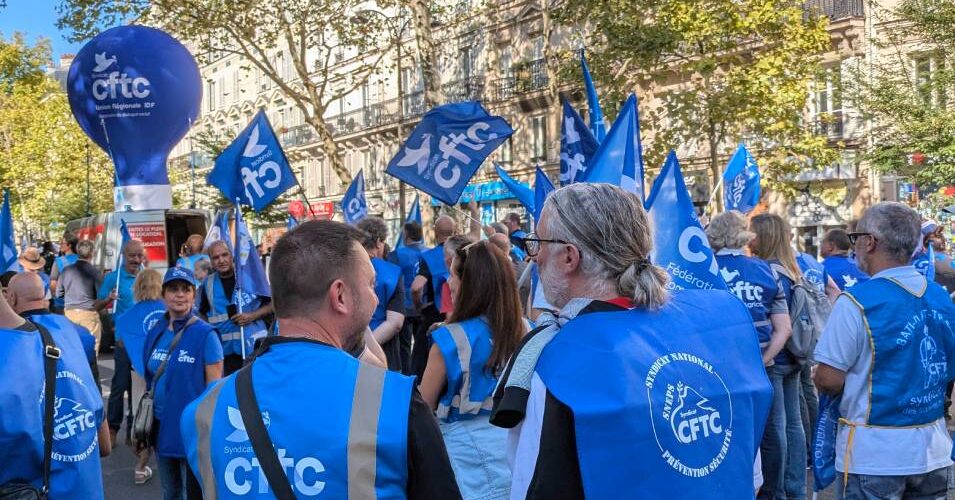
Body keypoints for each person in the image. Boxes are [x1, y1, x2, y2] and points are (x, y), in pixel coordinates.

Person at [491, 184, 772, 498]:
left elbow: (530, 486)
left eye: (539, 243)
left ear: (569, 256)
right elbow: (750, 477)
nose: (536, 256)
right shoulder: (714, 332)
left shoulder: (557, 361)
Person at [180, 219, 462, 499]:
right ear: (339, 296)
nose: (376, 300)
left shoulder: (204, 412)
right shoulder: (396, 402)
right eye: (371, 286)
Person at [815, 202, 955, 498]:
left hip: (874, 455)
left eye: (856, 238)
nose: (854, 247)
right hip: (933, 450)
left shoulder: (856, 302)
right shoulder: (940, 298)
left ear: (870, 242)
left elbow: (828, 379)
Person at [420, 240, 523, 499]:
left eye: (452, 275)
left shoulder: (449, 340)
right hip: (519, 447)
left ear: (470, 283)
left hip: (466, 460)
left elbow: (421, 410)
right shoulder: (527, 329)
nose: (449, 283)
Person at [0, 270, 111, 498]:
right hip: (87, 487)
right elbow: (92, 398)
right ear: (44, 296)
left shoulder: (12, 349)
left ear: (11, 297)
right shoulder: (73, 333)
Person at [142, 266, 223, 500]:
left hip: (190, 430)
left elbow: (214, 393)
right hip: (160, 425)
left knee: (193, 493)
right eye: (173, 289)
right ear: (163, 295)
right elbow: (148, 379)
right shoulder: (156, 331)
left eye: (186, 289)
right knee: (170, 491)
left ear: (194, 295)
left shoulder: (206, 335)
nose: (179, 295)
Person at [749, 213, 808, 500]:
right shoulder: (792, 269)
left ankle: (780, 488)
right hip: (796, 354)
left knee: (777, 428)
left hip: (775, 357)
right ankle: (796, 487)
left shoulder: (765, 271)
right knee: (794, 425)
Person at [115, 268, 167, 485]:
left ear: (137, 287)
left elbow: (121, 343)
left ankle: (140, 467)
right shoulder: (170, 310)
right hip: (169, 373)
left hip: (141, 373)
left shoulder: (126, 317)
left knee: (144, 419)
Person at [99, 239, 147, 447]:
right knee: (119, 386)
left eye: (139, 255)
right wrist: (108, 299)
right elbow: (97, 305)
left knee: (140, 388)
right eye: (132, 256)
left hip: (144, 343)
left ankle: (134, 429)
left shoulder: (147, 277)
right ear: (124, 256)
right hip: (123, 343)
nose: (136, 259)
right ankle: (113, 428)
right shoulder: (114, 278)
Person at [199, 240, 272, 375]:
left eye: (224, 255)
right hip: (224, 354)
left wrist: (252, 316)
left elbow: (273, 305)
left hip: (254, 349)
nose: (221, 260)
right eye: (216, 257)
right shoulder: (207, 284)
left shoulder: (249, 277)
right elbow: (202, 314)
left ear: (231, 255)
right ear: (211, 261)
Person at [7, 271, 96, 376]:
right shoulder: (79, 331)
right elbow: (93, 378)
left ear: (12, 298)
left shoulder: (13, 336)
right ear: (43, 295)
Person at [357, 216, 406, 371]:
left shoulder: (344, 269)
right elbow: (395, 323)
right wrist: (368, 346)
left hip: (350, 352)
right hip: (386, 354)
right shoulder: (393, 273)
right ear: (378, 241)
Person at [392, 221, 429, 374]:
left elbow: (392, 278)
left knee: (404, 348)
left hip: (405, 307)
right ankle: (422, 376)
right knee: (423, 347)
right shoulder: (429, 253)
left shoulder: (397, 254)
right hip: (425, 305)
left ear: (406, 234)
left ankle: (407, 378)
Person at [56, 239, 104, 352]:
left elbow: (58, 294)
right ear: (92, 253)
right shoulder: (95, 272)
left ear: (77, 252)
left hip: (69, 313)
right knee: (91, 349)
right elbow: (101, 295)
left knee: (72, 348)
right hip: (88, 314)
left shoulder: (66, 271)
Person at [49, 231, 79, 314]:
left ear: (69, 245)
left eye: (62, 243)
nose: (60, 245)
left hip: (63, 303)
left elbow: (53, 284)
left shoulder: (58, 261)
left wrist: (54, 296)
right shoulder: (82, 259)